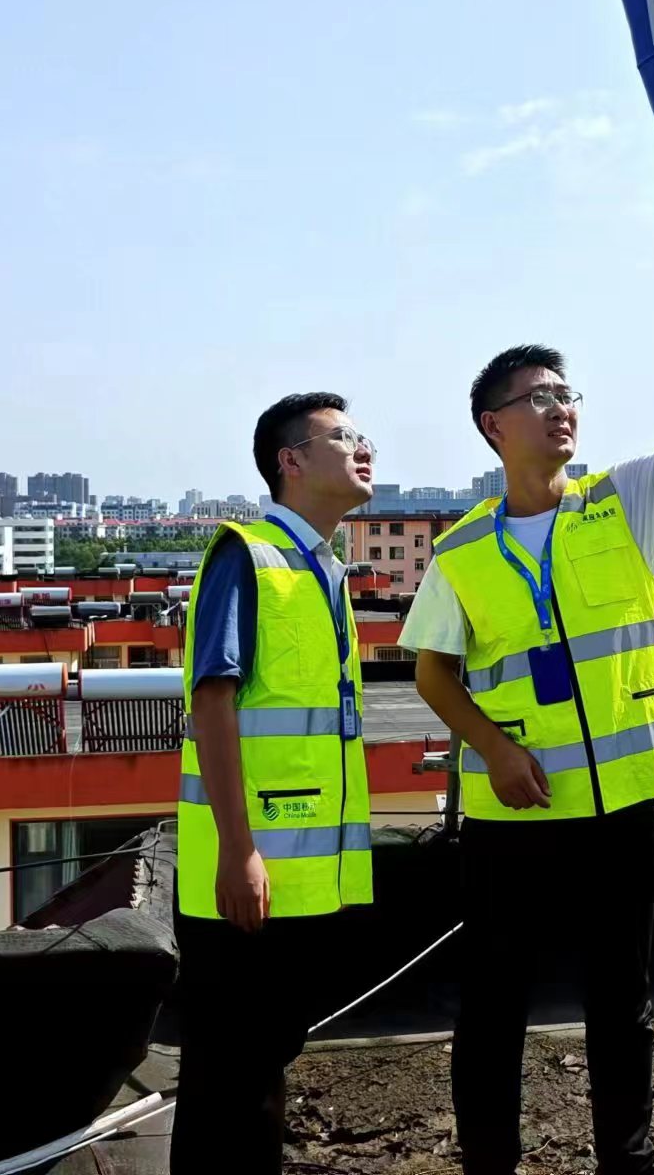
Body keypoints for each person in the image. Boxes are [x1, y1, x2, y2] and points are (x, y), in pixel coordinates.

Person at [402, 345, 654, 1175]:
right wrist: (494, 748)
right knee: (493, 1005)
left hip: (622, 806)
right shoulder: (462, 550)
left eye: (566, 393)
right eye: (538, 397)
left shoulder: (622, 503)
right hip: (512, 813)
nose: (561, 407)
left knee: (622, 1003)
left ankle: (629, 1162)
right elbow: (432, 672)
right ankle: (490, 1163)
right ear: (494, 426)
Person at [170, 392, 378, 1175]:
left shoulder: (322, 570)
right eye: (343, 437)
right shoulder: (248, 557)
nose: (364, 448)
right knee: (228, 1080)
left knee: (258, 1069)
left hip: (298, 880)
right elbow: (212, 702)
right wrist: (239, 851)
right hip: (247, 877)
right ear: (291, 461)